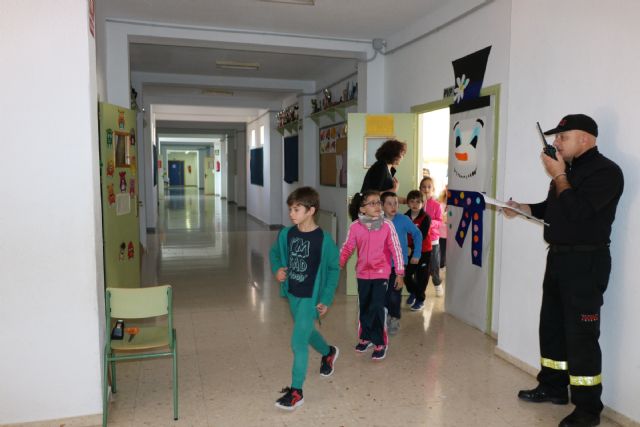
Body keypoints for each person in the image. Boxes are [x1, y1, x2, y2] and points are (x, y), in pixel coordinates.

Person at [504, 114, 623, 427]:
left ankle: (588, 410)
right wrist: (523, 209)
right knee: (552, 328)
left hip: (586, 264)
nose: (555, 143)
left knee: (582, 337)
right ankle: (553, 387)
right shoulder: (566, 172)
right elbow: (554, 210)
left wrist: (558, 175)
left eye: (562, 137)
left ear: (584, 138)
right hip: (558, 260)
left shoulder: (607, 172)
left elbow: (579, 212)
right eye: (555, 137)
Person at [269, 187, 341, 411]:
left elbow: (333, 269)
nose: (291, 214)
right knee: (306, 332)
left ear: (311, 211)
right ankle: (328, 352)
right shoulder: (287, 234)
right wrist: (277, 269)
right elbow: (274, 253)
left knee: (298, 342)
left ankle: (296, 392)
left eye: (296, 209)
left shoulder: (323, 240)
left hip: (311, 297)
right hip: (293, 293)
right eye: (290, 209)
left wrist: (326, 298)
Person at [340, 190, 405, 360]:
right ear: (362, 209)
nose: (377, 206)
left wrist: (399, 272)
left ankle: (380, 342)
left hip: (381, 273)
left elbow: (396, 249)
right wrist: (338, 264)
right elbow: (347, 247)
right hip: (362, 274)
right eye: (372, 203)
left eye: (378, 202)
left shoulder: (387, 225)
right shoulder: (355, 227)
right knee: (365, 306)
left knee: (377, 306)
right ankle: (366, 336)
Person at [380, 191, 422, 335]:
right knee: (383, 293)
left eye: (396, 203)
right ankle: (386, 315)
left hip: (398, 265)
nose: (393, 206)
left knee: (394, 293)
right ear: (382, 205)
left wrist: (417, 253)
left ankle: (395, 317)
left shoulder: (403, 220)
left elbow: (417, 234)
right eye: (389, 203)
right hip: (382, 265)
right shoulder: (377, 221)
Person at [403, 190, 432, 311]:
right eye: (412, 201)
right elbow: (402, 233)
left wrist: (412, 248)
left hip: (424, 251)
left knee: (422, 277)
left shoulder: (426, 218)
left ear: (423, 203)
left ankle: (420, 300)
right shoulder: (404, 217)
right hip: (410, 251)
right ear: (408, 203)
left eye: (418, 202)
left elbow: (422, 236)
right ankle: (413, 292)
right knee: (406, 275)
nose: (415, 204)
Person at [419, 177, 444, 297]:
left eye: (429, 187)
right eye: (424, 187)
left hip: (433, 241)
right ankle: (420, 290)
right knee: (421, 267)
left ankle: (437, 284)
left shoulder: (436, 205)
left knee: (434, 265)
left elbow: (440, 221)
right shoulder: (417, 204)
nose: (426, 189)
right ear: (420, 189)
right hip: (420, 241)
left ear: (433, 189)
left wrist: (430, 223)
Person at [438, 186, 448, 268]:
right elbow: (438, 219)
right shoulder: (440, 204)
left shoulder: (456, 206)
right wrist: (442, 219)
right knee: (441, 260)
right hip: (440, 234)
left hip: (450, 235)